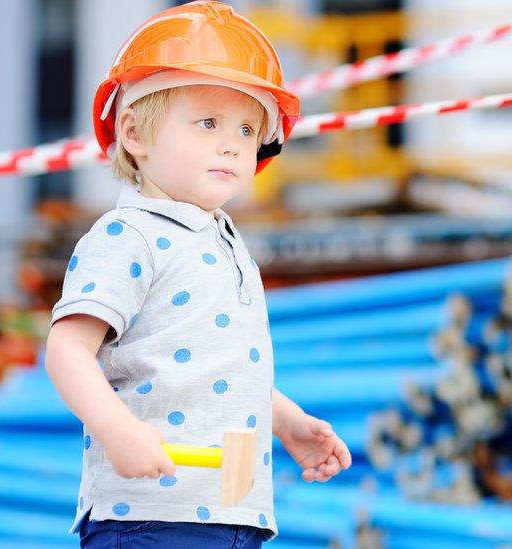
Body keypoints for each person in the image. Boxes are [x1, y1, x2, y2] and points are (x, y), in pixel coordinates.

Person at [45, 3, 351, 547]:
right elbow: (66, 352)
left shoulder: (222, 240)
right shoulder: (129, 235)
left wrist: (287, 422)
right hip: (150, 513)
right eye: (208, 122)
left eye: (247, 128)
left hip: (234, 514)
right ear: (134, 133)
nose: (233, 143)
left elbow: (222, 363)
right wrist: (119, 431)